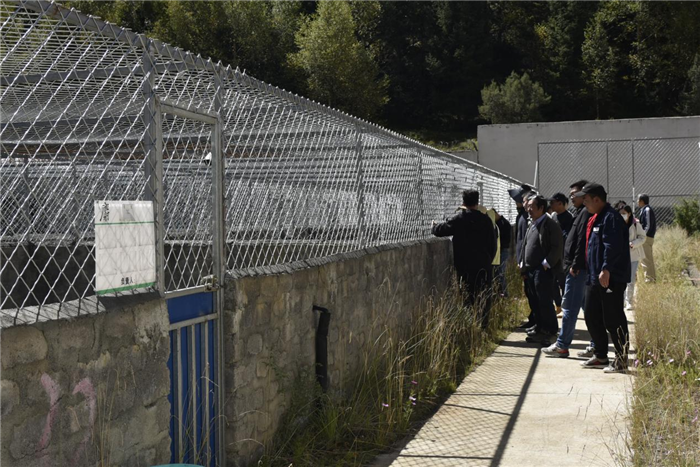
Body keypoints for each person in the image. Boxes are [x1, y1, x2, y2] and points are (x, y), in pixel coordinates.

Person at [577, 183, 631, 373]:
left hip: (610, 277)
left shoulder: (610, 218)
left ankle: (621, 359)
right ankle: (600, 355)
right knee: (591, 315)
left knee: (613, 319)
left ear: (597, 199)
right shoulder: (596, 217)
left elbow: (612, 246)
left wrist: (606, 268)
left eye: (586, 199)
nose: (584, 203)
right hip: (594, 277)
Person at [542, 180, 594, 359]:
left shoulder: (585, 213)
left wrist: (575, 264)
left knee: (570, 307)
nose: (572, 197)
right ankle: (596, 344)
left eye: (575, 194)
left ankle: (562, 345)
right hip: (577, 267)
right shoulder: (580, 213)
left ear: (584, 195)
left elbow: (581, 242)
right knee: (586, 308)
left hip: (577, 269)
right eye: (571, 194)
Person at [432, 189, 497, 328]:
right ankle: (483, 326)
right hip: (483, 265)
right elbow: (493, 245)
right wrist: (488, 260)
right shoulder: (486, 220)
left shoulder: (460, 219)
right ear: (477, 202)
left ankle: (469, 326)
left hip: (465, 266)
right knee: (483, 296)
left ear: (463, 202)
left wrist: (434, 226)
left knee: (467, 296)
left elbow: (442, 230)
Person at [520, 195, 563, 346]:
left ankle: (550, 331)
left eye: (532, 207)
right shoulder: (533, 223)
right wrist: (523, 264)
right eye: (528, 206)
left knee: (544, 301)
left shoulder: (550, 225)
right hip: (530, 269)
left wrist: (546, 263)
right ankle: (539, 328)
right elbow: (526, 244)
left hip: (542, 270)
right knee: (535, 300)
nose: (529, 209)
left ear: (541, 208)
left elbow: (557, 247)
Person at [549, 193, 573, 317]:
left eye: (552, 202)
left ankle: (565, 307)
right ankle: (558, 305)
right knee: (553, 282)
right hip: (554, 255)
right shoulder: (554, 216)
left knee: (564, 283)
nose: (550, 205)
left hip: (564, 256)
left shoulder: (569, 218)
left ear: (560, 203)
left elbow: (568, 236)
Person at [619, 205, 645, 309]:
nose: (622, 215)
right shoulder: (616, 223)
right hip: (620, 256)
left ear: (629, 214)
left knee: (630, 279)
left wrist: (633, 244)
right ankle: (620, 301)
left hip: (632, 256)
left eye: (624, 213)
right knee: (620, 279)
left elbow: (642, 237)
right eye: (621, 213)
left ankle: (629, 301)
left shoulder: (635, 224)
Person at [637, 193, 656, 283]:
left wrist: (643, 235)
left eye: (638, 200)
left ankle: (649, 279)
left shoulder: (647, 210)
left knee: (646, 259)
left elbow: (648, 224)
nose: (637, 202)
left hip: (646, 238)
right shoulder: (644, 209)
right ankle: (651, 278)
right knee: (647, 259)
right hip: (647, 237)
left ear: (642, 201)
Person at [494, 210, 512, 297]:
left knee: (501, 272)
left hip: (503, 250)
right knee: (498, 272)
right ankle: (500, 293)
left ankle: (504, 293)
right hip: (500, 250)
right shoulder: (498, 223)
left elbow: (505, 239)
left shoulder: (503, 223)